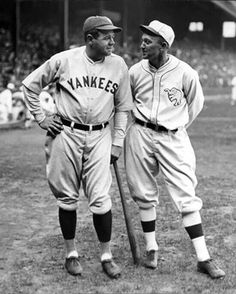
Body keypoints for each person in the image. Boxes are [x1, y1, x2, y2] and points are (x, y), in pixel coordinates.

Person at [22, 15, 133, 278]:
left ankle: (106, 255)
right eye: (106, 36)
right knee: (67, 197)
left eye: (113, 35)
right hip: (66, 133)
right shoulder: (64, 60)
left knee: (101, 198)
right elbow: (29, 86)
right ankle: (71, 254)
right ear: (90, 38)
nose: (112, 40)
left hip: (100, 135)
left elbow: (123, 108)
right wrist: (41, 117)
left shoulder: (119, 65)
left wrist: (117, 142)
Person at [124, 20, 225, 279]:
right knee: (143, 193)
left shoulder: (185, 72)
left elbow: (196, 104)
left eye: (149, 41)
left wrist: (175, 126)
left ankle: (203, 257)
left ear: (164, 45)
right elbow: (127, 101)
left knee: (186, 195)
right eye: (143, 39)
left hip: (173, 137)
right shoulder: (135, 71)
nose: (142, 44)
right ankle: (152, 249)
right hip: (140, 133)